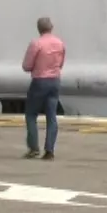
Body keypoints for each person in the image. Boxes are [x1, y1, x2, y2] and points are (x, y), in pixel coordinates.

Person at [21, 16, 66, 160]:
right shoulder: (60, 43)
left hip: (40, 81)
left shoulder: (36, 44)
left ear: (39, 29)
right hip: (55, 81)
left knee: (31, 115)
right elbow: (61, 63)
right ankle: (50, 150)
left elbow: (26, 66)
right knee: (51, 116)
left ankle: (34, 148)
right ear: (51, 27)